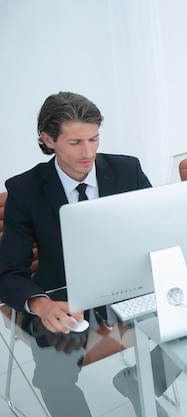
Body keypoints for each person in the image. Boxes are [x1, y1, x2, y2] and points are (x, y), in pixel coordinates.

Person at [0, 92, 176, 416]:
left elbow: (158, 230)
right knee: (54, 376)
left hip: (126, 287)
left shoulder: (127, 171)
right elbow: (9, 271)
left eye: (94, 139)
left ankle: (139, 383)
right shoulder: (25, 190)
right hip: (64, 300)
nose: (88, 152)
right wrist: (41, 305)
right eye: (76, 142)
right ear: (48, 139)